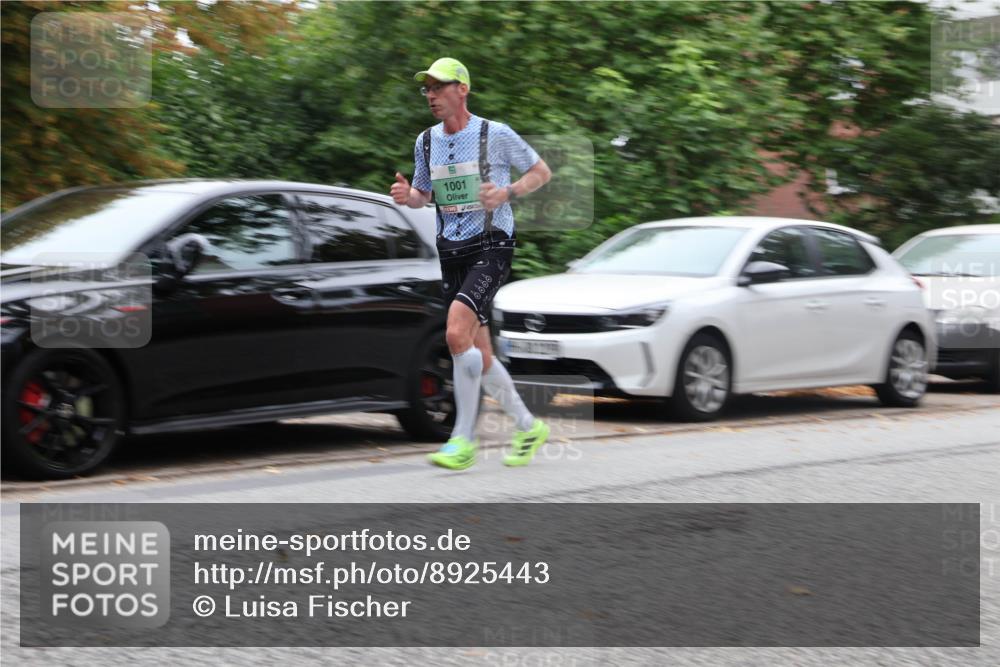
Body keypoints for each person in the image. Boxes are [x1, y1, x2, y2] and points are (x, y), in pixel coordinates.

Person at [390, 57, 553, 470]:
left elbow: (541, 171)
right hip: (452, 250)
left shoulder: (493, 134)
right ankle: (529, 426)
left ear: (462, 89)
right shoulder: (425, 141)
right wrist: (408, 196)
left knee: (456, 330)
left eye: (438, 87)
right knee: (477, 350)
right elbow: (424, 197)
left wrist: (507, 193)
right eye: (426, 88)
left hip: (492, 243)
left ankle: (462, 440)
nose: (430, 95)